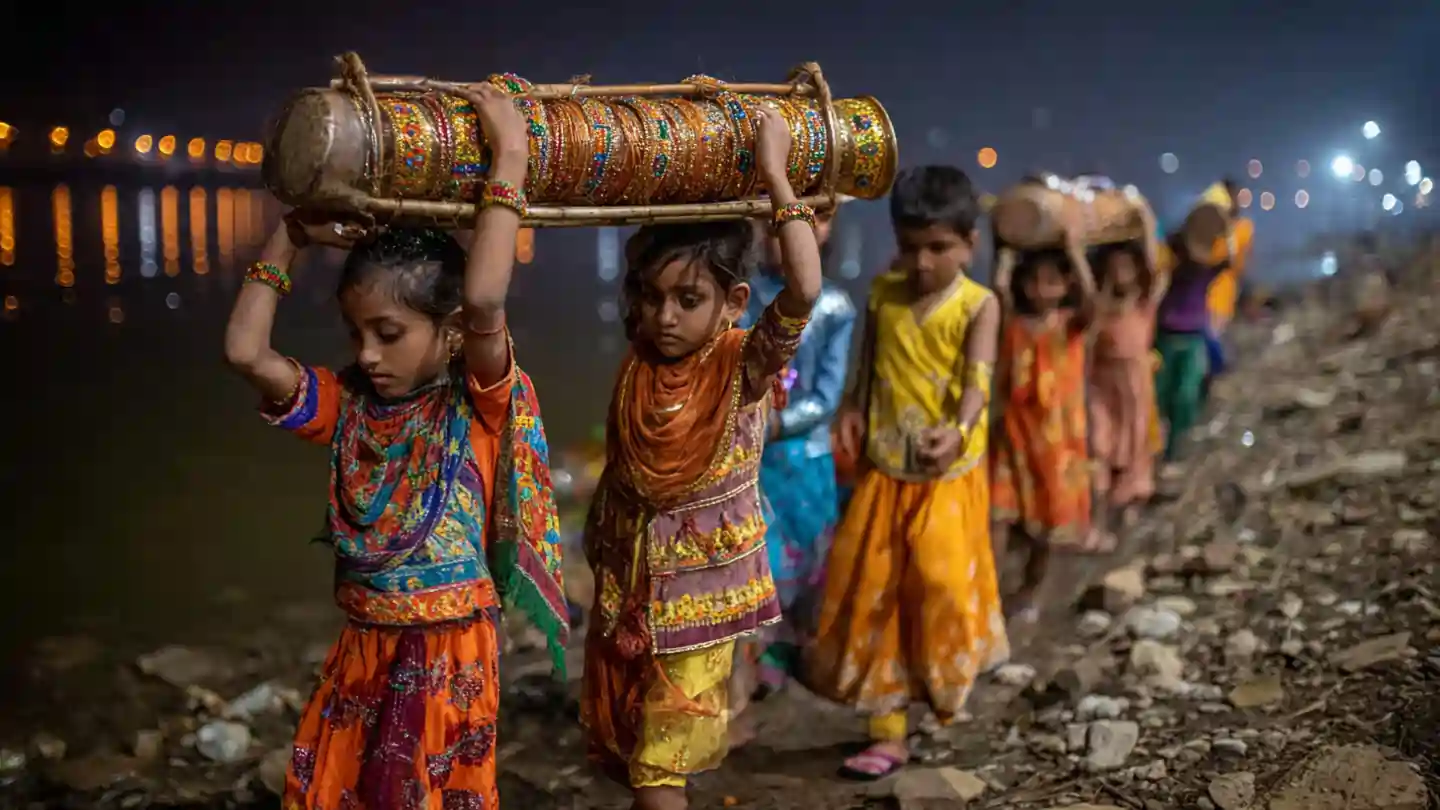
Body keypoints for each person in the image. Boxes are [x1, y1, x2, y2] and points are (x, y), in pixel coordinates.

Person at [222, 83, 568, 810]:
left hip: (448, 649)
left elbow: (483, 301)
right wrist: (289, 234)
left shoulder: (476, 402)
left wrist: (509, 160)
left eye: (390, 333)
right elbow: (247, 352)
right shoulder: (346, 404)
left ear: (447, 336)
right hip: (364, 646)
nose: (369, 355)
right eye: (357, 333)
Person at [580, 105, 821, 810]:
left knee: (659, 766)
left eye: (689, 300)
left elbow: (804, 290)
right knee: (637, 751)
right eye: (652, 298)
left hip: (700, 597)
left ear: (732, 303)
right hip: (631, 585)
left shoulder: (741, 360)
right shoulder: (641, 362)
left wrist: (776, 175)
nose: (666, 316)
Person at [805, 165, 1009, 781]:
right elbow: (867, 366)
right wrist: (851, 411)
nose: (923, 262)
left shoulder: (979, 304)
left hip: (947, 473)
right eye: (912, 246)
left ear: (970, 244)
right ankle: (888, 727)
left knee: (941, 581)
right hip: (885, 471)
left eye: (939, 248)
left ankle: (944, 685)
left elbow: (977, 380)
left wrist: (960, 430)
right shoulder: (882, 294)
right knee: (879, 593)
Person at [738, 197, 855, 698]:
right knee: (756, 557)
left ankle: (791, 651)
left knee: (806, 561)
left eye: (820, 216)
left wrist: (775, 423)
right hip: (750, 458)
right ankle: (758, 657)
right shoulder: (739, 301)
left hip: (804, 457)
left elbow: (827, 394)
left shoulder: (834, 306)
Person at [990, 232, 1105, 624]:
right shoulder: (1015, 324)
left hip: (1057, 444)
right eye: (1033, 280)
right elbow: (999, 296)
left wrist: (1075, 255)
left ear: (1067, 285)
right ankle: (987, 591)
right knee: (999, 512)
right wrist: (1004, 264)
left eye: (1052, 281)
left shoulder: (1071, 325)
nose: (1041, 289)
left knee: (1046, 524)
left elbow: (1091, 302)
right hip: (1015, 433)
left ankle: (1029, 591)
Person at [1088, 199, 1165, 533]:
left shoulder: (1144, 303)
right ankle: (1100, 516)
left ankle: (1129, 513)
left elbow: (1157, 269)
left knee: (1134, 444)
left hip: (1135, 385)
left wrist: (1146, 222)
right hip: (1103, 387)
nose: (1121, 274)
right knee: (1102, 443)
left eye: (1127, 267)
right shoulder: (1099, 308)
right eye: (1114, 268)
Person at [1153, 206, 1231, 465]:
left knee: (1186, 396)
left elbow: (1228, 259)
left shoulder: (1207, 269)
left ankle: (1174, 451)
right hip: (1166, 337)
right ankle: (1157, 451)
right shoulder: (1173, 267)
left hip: (1192, 338)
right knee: (1161, 397)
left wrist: (1225, 233)